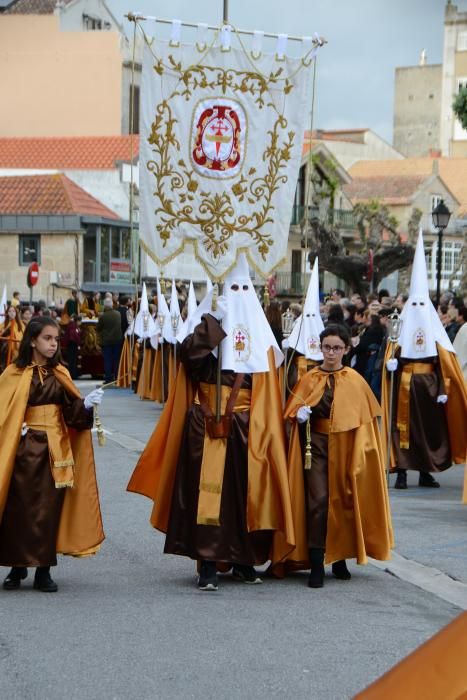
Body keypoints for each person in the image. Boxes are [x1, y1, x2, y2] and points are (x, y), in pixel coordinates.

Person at [127, 254, 294, 591]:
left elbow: (272, 382)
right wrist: (213, 326)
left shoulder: (259, 339)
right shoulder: (209, 333)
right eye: (232, 288)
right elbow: (188, 357)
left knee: (244, 495)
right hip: (206, 427)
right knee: (209, 496)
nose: (237, 294)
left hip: (247, 429)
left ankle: (243, 558)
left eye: (243, 288)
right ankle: (207, 563)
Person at [272, 323, 392, 588]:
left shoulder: (354, 380)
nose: (331, 353)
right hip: (313, 447)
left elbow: (365, 421)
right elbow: (291, 411)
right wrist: (298, 415)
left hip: (346, 446)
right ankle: (316, 560)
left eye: (337, 348)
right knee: (318, 500)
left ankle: (339, 558)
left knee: (344, 499)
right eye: (327, 347)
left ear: (346, 349)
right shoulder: (310, 378)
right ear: (320, 347)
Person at [0, 317, 104, 592]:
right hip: (23, 450)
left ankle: (43, 570)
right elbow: (3, 410)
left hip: (56, 451)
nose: (53, 343)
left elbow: (73, 417)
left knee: (49, 510)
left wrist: (86, 406)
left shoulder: (60, 373)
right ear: (33, 340)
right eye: (47, 338)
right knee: (19, 510)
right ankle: (17, 566)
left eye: (56, 339)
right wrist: (15, 425)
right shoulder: (14, 372)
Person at [382, 230, 467, 490]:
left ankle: (426, 471)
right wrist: (391, 364)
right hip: (405, 384)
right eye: (414, 305)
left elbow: (446, 361)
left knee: (428, 430)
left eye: (422, 305)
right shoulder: (400, 328)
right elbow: (389, 354)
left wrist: (443, 389)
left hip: (430, 387)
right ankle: (403, 472)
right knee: (403, 430)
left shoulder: (436, 332)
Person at [97, 298, 123, 384]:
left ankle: (108, 378)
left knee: (107, 360)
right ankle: (116, 377)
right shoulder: (118, 314)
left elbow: (98, 328)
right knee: (116, 360)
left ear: (105, 306)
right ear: (112, 305)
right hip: (117, 340)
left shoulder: (103, 316)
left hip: (107, 341)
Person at [0, 305, 24, 372]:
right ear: (7, 313)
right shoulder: (3, 324)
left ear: (16, 313)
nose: (11, 313)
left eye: (13, 311)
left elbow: (23, 337)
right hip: (5, 352)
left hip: (17, 351)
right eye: (9, 311)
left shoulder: (21, 325)